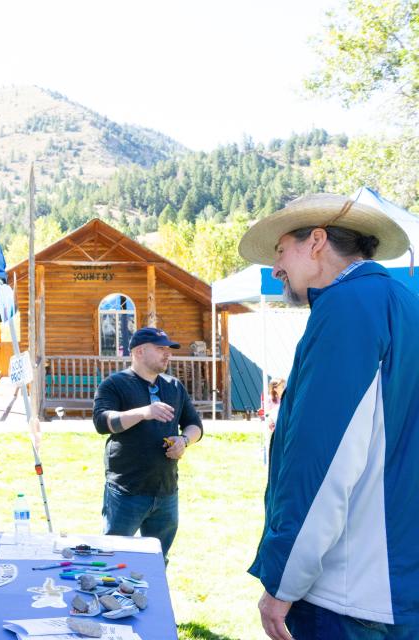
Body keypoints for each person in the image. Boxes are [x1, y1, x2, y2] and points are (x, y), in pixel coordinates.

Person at [238, 193, 419, 639]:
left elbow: (324, 461)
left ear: (316, 241)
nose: (276, 268)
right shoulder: (405, 303)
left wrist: (284, 581)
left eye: (280, 251)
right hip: (399, 580)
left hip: (349, 589)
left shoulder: (345, 307)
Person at [92, 327, 203, 560]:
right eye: (160, 348)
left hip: (166, 492)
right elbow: (102, 423)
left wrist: (184, 441)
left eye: (169, 349)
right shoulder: (114, 384)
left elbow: (195, 426)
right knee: (113, 557)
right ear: (140, 351)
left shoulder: (173, 386)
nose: (167, 354)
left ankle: (150, 598)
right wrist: (143, 412)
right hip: (126, 492)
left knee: (157, 560)